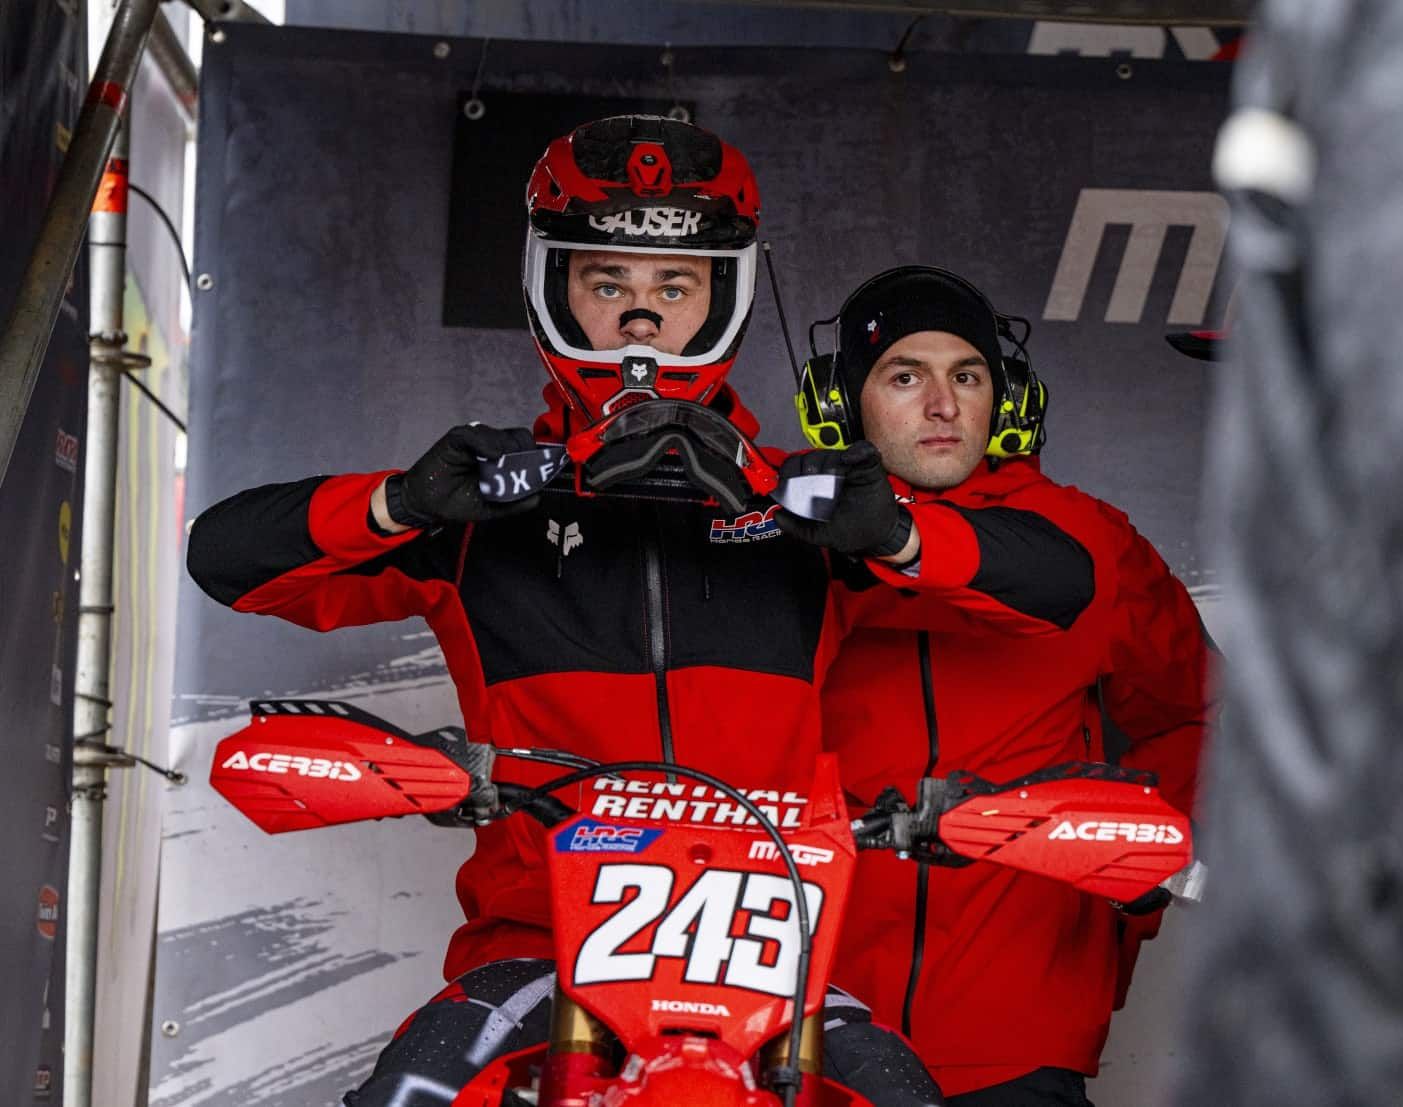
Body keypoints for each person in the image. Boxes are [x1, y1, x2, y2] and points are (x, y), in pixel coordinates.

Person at [186, 117, 1097, 1106]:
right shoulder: (483, 510)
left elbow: (1060, 586)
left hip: (772, 968)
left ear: (721, 300)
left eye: (673, 288)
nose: (639, 322)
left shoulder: (806, 511)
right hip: (537, 957)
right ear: (554, 291)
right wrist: (400, 501)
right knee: (412, 1093)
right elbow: (225, 557)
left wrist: (896, 533)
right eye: (606, 283)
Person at [799, 266, 1218, 1105]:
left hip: (1022, 1040)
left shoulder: (1088, 535)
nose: (942, 406)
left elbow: (1198, 716)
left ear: (1006, 396)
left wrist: (1137, 874)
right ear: (844, 402)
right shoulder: (785, 539)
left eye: (967, 376)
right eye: (906, 377)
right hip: (811, 1033)